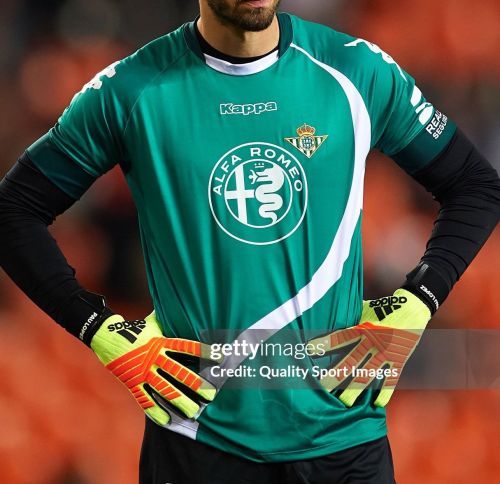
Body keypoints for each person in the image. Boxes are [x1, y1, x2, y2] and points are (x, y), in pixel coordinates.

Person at [0, 1, 499, 483]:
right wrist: (98, 327)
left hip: (344, 438)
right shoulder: (131, 90)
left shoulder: (355, 70)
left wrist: (419, 300)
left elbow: (476, 186)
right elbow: (13, 211)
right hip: (198, 440)